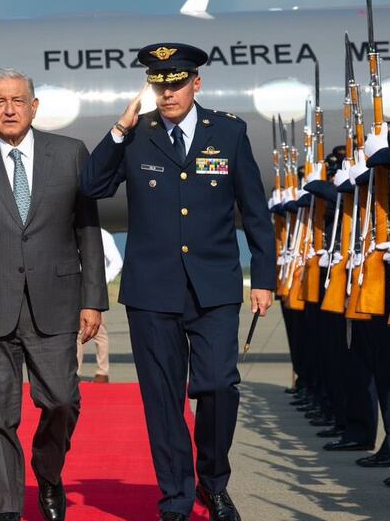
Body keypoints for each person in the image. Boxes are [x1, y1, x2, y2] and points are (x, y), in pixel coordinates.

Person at [80, 43, 275, 521]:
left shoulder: (227, 133)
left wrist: (265, 277)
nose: (167, 93)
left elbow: (254, 209)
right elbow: (90, 185)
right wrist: (121, 126)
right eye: (159, 84)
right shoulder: (137, 136)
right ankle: (175, 496)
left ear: (196, 84)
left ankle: (213, 479)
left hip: (214, 287)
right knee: (163, 399)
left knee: (217, 387)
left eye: (177, 83)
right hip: (152, 291)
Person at [0, 67, 107, 521]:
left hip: (55, 303)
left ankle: (48, 473)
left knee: (61, 400)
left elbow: (87, 231)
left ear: (34, 107)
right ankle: (8, 509)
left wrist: (92, 298)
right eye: (0, 102)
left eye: (18, 100)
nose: (10, 109)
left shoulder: (71, 154)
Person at [77, 229, 121, 382]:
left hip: (94, 289)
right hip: (73, 288)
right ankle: (75, 372)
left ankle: (102, 372)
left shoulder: (103, 234)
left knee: (99, 332)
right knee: (77, 332)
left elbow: (117, 262)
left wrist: (101, 282)